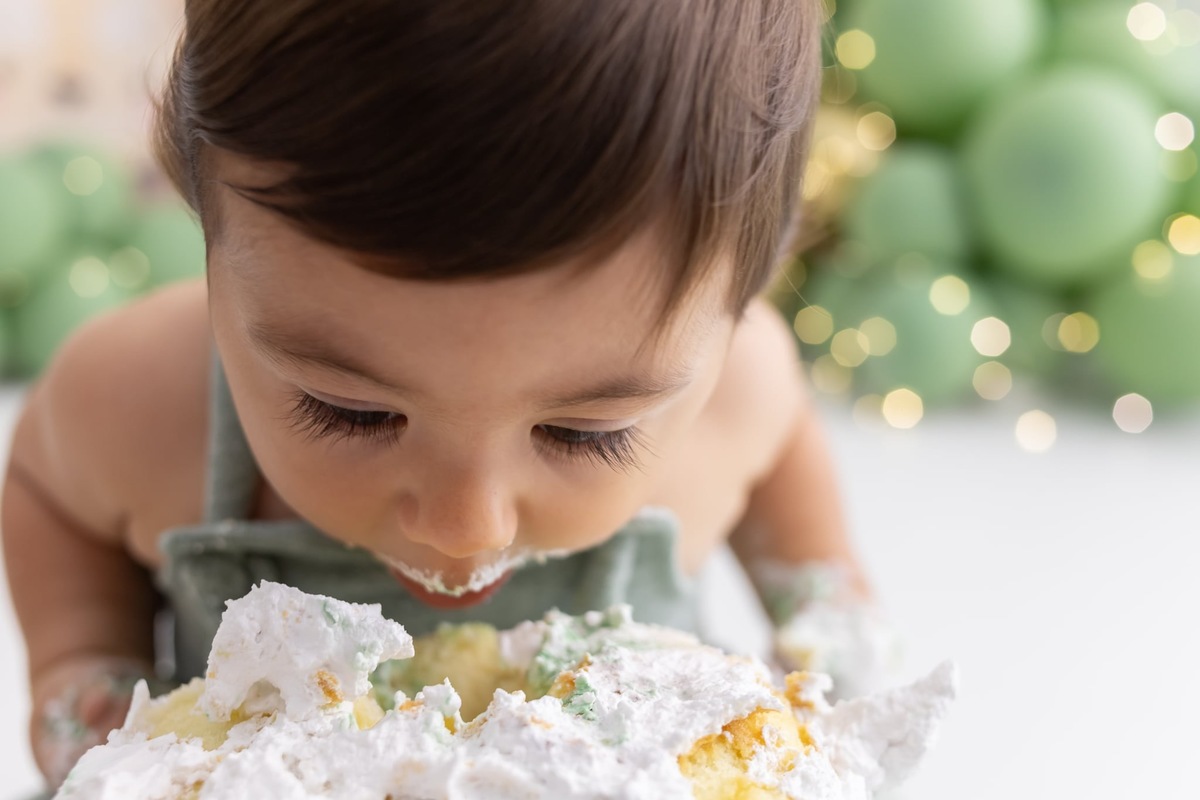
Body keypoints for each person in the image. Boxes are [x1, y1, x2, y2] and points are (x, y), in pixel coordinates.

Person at [2, 0, 885, 791]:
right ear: (205, 227)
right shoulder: (140, 401)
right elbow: (52, 494)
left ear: (738, 310)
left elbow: (780, 445)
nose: (466, 526)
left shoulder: (737, 391)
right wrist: (85, 650)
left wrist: (822, 604)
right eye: (351, 411)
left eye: (584, 433)